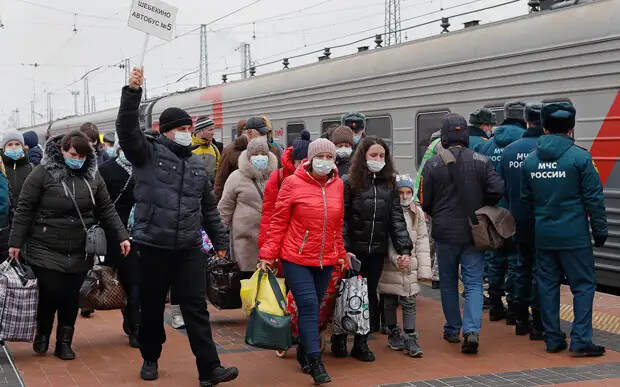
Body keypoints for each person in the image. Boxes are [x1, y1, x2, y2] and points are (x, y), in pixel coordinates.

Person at [116, 68, 237, 385]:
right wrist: (132, 93)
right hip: (152, 246)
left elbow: (208, 207)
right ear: (166, 131)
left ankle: (210, 369)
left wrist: (220, 241)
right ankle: (150, 357)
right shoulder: (147, 154)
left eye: (189, 127)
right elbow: (127, 131)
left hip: (188, 248)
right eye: (181, 128)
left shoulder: (197, 164)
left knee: (196, 308)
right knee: (153, 307)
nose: (187, 131)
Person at [8, 130, 130, 360]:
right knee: (51, 291)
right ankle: (43, 332)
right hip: (45, 245)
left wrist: (122, 235)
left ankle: (65, 342)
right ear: (62, 150)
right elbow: (25, 208)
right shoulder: (42, 173)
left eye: (82, 156)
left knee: (70, 295)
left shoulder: (93, 176)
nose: (78, 159)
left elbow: (106, 208)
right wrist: (16, 241)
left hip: (80, 246)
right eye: (73, 154)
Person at [521, 102, 607, 357]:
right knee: (582, 285)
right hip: (574, 236)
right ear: (571, 128)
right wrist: (600, 230)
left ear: (544, 127)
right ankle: (580, 340)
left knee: (547, 285)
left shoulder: (531, 161)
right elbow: (594, 198)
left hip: (544, 235)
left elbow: (525, 203)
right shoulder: (580, 157)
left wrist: (527, 236)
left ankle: (552, 338)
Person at [259, 138, 348, 385]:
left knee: (315, 306)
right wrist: (267, 255)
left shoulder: (338, 185)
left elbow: (337, 225)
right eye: (321, 157)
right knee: (308, 304)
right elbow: (278, 223)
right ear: (310, 158)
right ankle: (316, 362)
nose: (325, 162)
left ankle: (303, 350)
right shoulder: (292, 183)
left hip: (326, 258)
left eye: (330, 158)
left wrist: (340, 253)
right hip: (295, 257)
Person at [420, 114, 504, 354]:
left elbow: (425, 201)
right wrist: (482, 203)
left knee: (447, 282)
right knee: (474, 283)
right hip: (474, 231)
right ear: (465, 135)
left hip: (445, 233)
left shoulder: (433, 164)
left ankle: (451, 329)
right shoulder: (481, 160)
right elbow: (498, 189)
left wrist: (437, 210)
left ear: (444, 137)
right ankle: (472, 331)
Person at [334, 136, 413, 362]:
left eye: (382, 156)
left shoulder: (390, 184)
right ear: (363, 156)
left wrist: (404, 248)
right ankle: (340, 337)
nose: (378, 159)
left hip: (376, 251)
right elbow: (343, 219)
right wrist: (344, 248)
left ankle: (361, 342)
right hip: (353, 251)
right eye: (373, 155)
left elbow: (396, 219)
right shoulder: (349, 182)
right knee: (345, 295)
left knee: (368, 298)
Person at [499, 103, 545, 340]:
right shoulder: (544, 149)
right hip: (542, 219)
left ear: (526, 121)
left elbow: (502, 188)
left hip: (517, 217)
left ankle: (520, 319)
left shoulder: (509, 151)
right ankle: (539, 322)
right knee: (541, 270)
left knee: (521, 266)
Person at [479, 101, 525, 325]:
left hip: (493, 214)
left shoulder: (488, 146)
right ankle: (515, 309)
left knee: (495, 260)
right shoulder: (524, 144)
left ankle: (496, 305)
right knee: (516, 262)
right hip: (516, 213)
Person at [378, 174, 431, 358]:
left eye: (408, 192)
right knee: (389, 300)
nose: (404, 196)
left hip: (410, 264)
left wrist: (424, 269)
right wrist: (395, 258)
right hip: (390, 265)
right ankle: (393, 331)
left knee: (409, 301)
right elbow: (386, 241)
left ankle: (410, 336)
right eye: (400, 192)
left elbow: (423, 242)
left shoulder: (417, 212)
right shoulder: (389, 212)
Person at [98, 137, 141, 348]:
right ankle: (132, 322)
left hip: (143, 234)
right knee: (128, 280)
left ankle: (135, 325)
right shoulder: (106, 170)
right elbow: (100, 203)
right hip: (116, 235)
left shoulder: (146, 168)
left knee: (136, 282)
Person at [218, 137, 277, 279]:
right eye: (255, 155)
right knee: (246, 281)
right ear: (249, 157)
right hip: (244, 242)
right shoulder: (236, 177)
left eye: (263, 154)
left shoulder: (275, 177)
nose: (260, 158)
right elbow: (225, 208)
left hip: (270, 242)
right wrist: (219, 238)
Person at [258, 130, 310, 250]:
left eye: (307, 162)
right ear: (293, 161)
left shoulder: (318, 179)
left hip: (308, 243)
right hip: (284, 241)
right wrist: (266, 247)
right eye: (300, 162)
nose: (303, 166)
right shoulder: (278, 177)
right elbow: (268, 215)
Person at [214, 120, 248, 200]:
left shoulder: (255, 149)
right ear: (240, 132)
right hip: (234, 196)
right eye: (245, 129)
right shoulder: (229, 150)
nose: (248, 132)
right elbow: (221, 176)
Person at [1, 130, 33, 211]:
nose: (14, 147)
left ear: (22, 147)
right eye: (10, 144)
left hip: (25, 215)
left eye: (17, 144)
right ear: (4, 148)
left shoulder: (31, 168)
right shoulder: (1, 168)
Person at [192, 116, 221, 183]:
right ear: (200, 131)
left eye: (213, 129)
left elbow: (218, 172)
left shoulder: (214, 149)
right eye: (210, 130)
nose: (213, 133)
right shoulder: (189, 148)